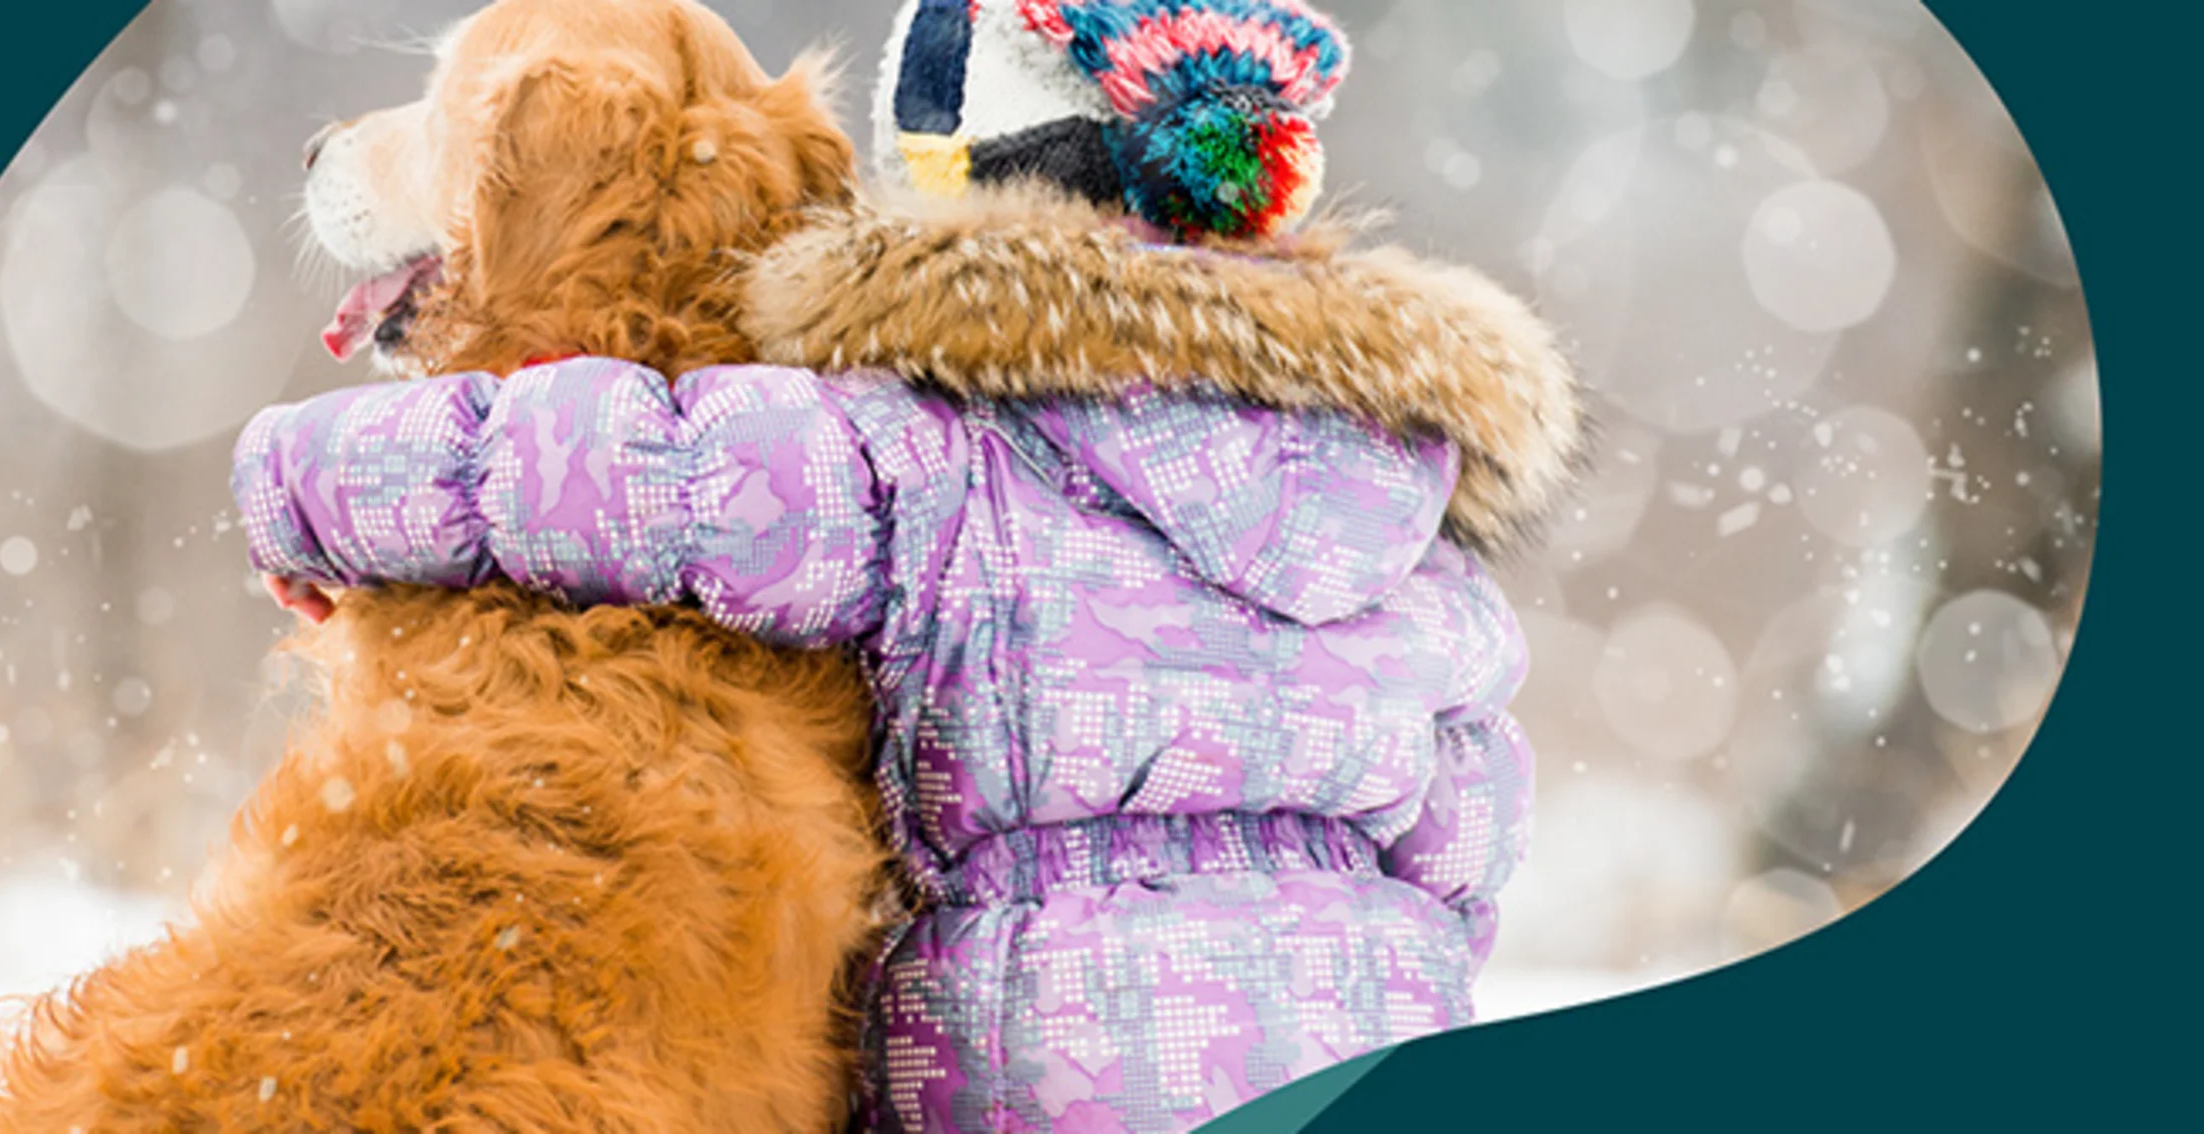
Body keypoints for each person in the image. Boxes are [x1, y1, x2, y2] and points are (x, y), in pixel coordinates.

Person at [236, 1, 1583, 1127]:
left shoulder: (929, 453)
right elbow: (1468, 836)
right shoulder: (1402, 499)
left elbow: (629, 471)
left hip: (1031, 1059)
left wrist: (304, 483)